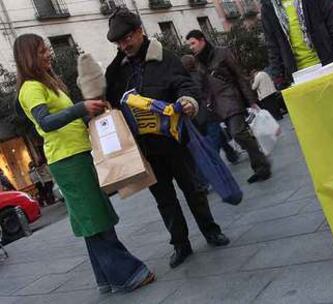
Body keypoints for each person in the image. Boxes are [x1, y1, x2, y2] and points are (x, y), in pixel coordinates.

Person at [15, 33, 154, 293]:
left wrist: (90, 113)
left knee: (91, 218)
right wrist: (81, 108)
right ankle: (127, 274)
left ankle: (104, 279)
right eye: (42, 50)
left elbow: (65, 118)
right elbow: (46, 122)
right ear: (28, 56)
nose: (49, 54)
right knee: (97, 217)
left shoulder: (46, 84)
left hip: (76, 155)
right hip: (66, 160)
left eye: (47, 49)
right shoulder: (31, 87)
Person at [105, 8, 230, 269]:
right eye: (119, 42)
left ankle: (210, 230)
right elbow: (110, 100)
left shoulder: (166, 58)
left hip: (174, 139)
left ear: (140, 31)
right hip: (145, 147)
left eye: (127, 38)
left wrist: (187, 101)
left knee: (193, 189)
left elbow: (185, 85)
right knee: (164, 199)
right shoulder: (117, 70)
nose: (124, 45)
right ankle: (180, 244)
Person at [185, 30, 271, 183]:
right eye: (189, 45)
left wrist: (250, 99)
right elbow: (204, 86)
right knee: (238, 135)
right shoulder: (198, 62)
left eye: (193, 43)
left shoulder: (222, 52)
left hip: (232, 98)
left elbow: (239, 75)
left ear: (202, 40)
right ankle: (259, 163)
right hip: (217, 105)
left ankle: (262, 165)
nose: (191, 47)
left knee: (237, 133)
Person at [261, 0, 333, 90]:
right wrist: (278, 77)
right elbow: (272, 45)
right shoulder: (268, 7)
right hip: (299, 78)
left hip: (330, 66)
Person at [180, 54, 240, 163]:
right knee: (215, 137)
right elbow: (202, 92)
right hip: (207, 112)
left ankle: (228, 155)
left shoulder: (187, 79)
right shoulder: (197, 75)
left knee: (217, 136)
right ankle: (217, 160)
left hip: (200, 114)